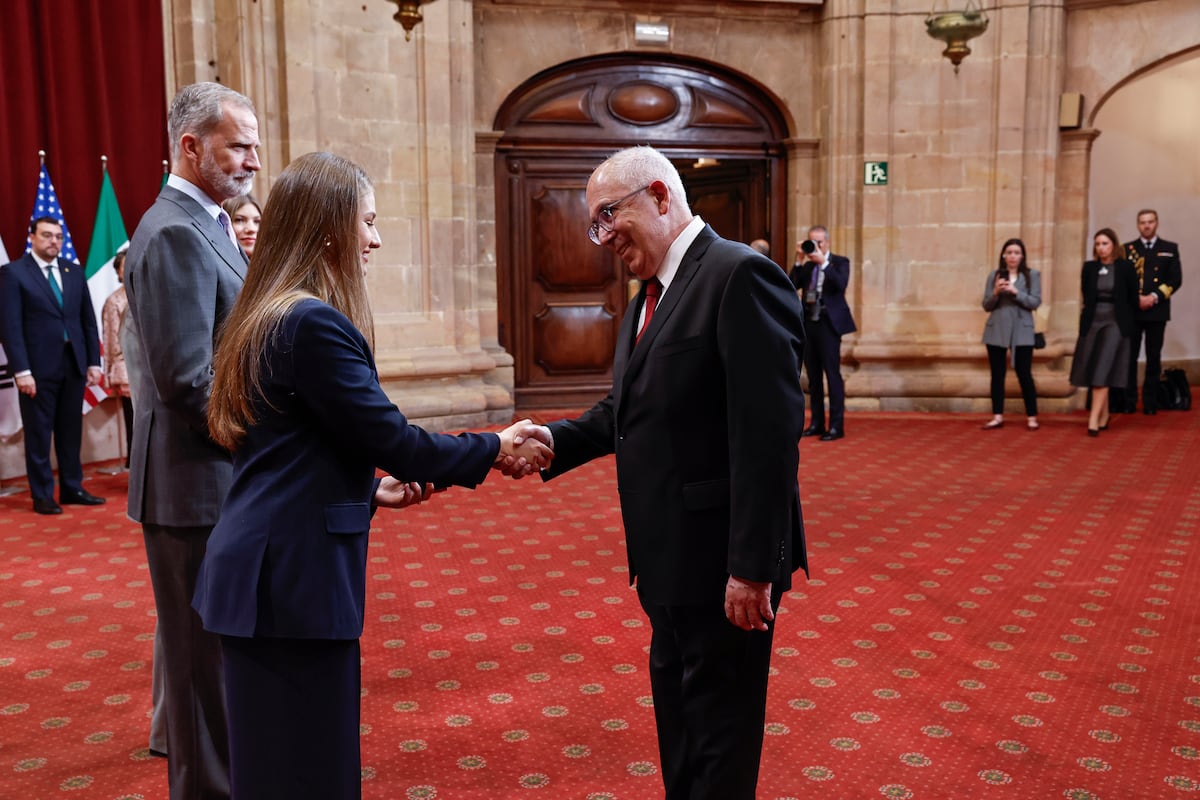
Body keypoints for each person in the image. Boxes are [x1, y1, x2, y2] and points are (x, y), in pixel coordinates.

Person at [194, 151, 549, 800]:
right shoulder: (312, 324)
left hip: (263, 571)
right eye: (370, 222)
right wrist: (494, 444)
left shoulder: (266, 313)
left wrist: (366, 488)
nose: (377, 240)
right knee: (308, 770)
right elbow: (393, 439)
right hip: (289, 581)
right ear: (330, 227)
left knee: (275, 766)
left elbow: (286, 450)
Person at [522, 146, 808, 799]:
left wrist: (752, 567)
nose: (602, 236)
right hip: (666, 562)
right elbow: (626, 412)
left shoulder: (740, 275)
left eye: (607, 216)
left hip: (722, 569)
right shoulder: (651, 290)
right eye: (594, 224)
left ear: (658, 194)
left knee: (720, 738)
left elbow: (767, 438)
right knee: (682, 725)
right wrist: (551, 441)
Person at [123, 81, 261, 800]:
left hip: (213, 484)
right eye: (240, 145)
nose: (253, 162)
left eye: (256, 147)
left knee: (220, 675)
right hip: (193, 489)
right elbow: (187, 380)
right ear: (191, 145)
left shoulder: (205, 220)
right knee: (202, 678)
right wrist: (271, 446)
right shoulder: (175, 229)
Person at [0, 217, 106, 514]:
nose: (54, 242)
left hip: (73, 365)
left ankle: (72, 487)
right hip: (35, 369)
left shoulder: (73, 272)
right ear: (31, 236)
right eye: (47, 236)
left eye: (58, 237)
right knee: (38, 433)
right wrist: (21, 371)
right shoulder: (14, 273)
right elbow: (10, 326)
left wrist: (93, 362)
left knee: (70, 432)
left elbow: (86, 320)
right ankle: (42, 494)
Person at [1069, 228, 1138, 436]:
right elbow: (1086, 297)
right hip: (1093, 321)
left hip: (1115, 322)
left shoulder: (1126, 267)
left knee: (1103, 368)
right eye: (1098, 244)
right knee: (1095, 367)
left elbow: (1132, 299)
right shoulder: (1089, 268)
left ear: (1114, 245)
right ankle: (1104, 414)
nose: (1101, 248)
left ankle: (1092, 420)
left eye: (1105, 243)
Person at [791, 226, 856, 441]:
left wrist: (824, 263)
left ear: (827, 243)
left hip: (829, 325)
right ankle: (817, 422)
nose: (816, 246)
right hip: (809, 323)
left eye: (819, 242)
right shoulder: (807, 266)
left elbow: (840, 284)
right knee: (814, 378)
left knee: (832, 374)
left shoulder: (839, 262)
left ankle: (837, 426)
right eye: (812, 242)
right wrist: (799, 260)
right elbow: (792, 285)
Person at [1121, 209, 1182, 415]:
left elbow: (1175, 280)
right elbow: (1121, 280)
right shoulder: (1127, 249)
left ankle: (1150, 401)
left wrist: (1154, 297)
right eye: (1142, 222)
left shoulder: (1169, 248)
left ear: (1157, 223)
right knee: (1129, 357)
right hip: (1133, 311)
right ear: (1138, 225)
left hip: (1157, 311)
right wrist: (1135, 298)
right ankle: (1129, 401)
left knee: (1153, 357)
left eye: (1150, 222)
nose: (1146, 226)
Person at [980, 238, 1041, 431]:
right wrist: (997, 292)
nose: (1013, 256)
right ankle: (997, 416)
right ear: (1003, 256)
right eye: (1009, 252)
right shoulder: (994, 275)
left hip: (1022, 328)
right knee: (997, 374)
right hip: (997, 327)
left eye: (1016, 252)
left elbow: (1035, 302)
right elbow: (986, 305)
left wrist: (1016, 292)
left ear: (1022, 256)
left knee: (1024, 373)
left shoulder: (1032, 275)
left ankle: (1032, 416)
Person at [101, 248, 132, 468]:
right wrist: (110, 372)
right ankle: (134, 465)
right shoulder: (115, 301)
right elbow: (112, 340)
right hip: (127, 369)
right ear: (119, 272)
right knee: (134, 422)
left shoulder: (150, 292)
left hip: (152, 369)